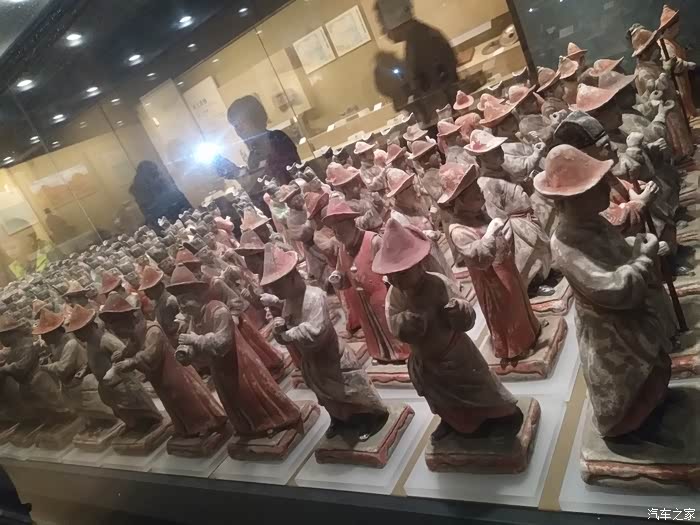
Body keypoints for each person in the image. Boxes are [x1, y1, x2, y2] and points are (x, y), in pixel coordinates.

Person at [375, 0, 458, 126]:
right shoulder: (416, 39)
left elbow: (433, 93)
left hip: (446, 119)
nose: (383, 31)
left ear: (395, 17)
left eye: (382, 23)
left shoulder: (422, 41)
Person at [227, 96, 300, 213]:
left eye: (240, 123)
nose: (238, 130)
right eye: (235, 126)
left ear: (254, 119)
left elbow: (288, 176)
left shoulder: (277, 138)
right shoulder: (253, 156)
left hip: (296, 205)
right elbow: (259, 193)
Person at [129, 161, 191, 230]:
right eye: (154, 172)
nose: (157, 173)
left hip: (165, 217)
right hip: (167, 215)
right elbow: (175, 196)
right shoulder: (144, 185)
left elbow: (176, 196)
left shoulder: (140, 185)